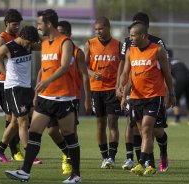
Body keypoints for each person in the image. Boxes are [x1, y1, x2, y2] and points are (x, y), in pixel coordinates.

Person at [5, 9, 81, 183]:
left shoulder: (65, 42)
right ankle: (25, 171)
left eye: (40, 23)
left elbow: (64, 67)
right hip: (46, 98)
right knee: (34, 131)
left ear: (48, 24)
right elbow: (40, 63)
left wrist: (47, 81)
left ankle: (76, 174)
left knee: (69, 135)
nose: (38, 27)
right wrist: (40, 90)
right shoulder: (44, 44)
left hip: (63, 98)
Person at [119, 22, 175, 176]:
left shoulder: (158, 50)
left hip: (154, 96)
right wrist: (122, 91)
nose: (130, 38)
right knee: (146, 132)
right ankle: (150, 165)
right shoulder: (131, 51)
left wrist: (171, 93)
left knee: (148, 128)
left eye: (133, 35)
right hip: (136, 97)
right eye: (129, 35)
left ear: (143, 35)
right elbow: (126, 73)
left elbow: (167, 74)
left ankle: (143, 161)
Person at [44, 20, 91, 175]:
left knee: (70, 131)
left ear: (69, 34)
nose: (60, 35)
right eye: (58, 32)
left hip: (71, 96)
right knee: (51, 131)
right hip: (50, 95)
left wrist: (87, 98)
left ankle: (70, 162)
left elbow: (85, 76)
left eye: (63, 32)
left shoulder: (77, 52)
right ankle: (67, 152)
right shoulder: (52, 49)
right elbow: (43, 70)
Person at [84, 16, 121, 169]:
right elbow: (83, 67)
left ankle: (112, 157)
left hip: (112, 90)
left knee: (112, 122)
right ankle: (104, 156)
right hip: (96, 90)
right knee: (100, 124)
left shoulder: (118, 45)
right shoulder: (89, 44)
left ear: (108, 28)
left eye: (101, 29)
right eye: (96, 29)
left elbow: (123, 68)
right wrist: (92, 73)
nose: (98, 32)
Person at [0, 9, 24, 162]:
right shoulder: (1, 39)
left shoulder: (18, 37)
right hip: (5, 83)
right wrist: (6, 74)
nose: (16, 27)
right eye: (14, 24)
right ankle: (13, 150)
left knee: (16, 118)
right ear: (6, 23)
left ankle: (9, 150)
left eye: (18, 24)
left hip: (17, 83)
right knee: (13, 118)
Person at [167, 49, 189, 126]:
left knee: (175, 98)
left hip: (180, 78)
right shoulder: (178, 59)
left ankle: (177, 120)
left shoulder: (166, 61)